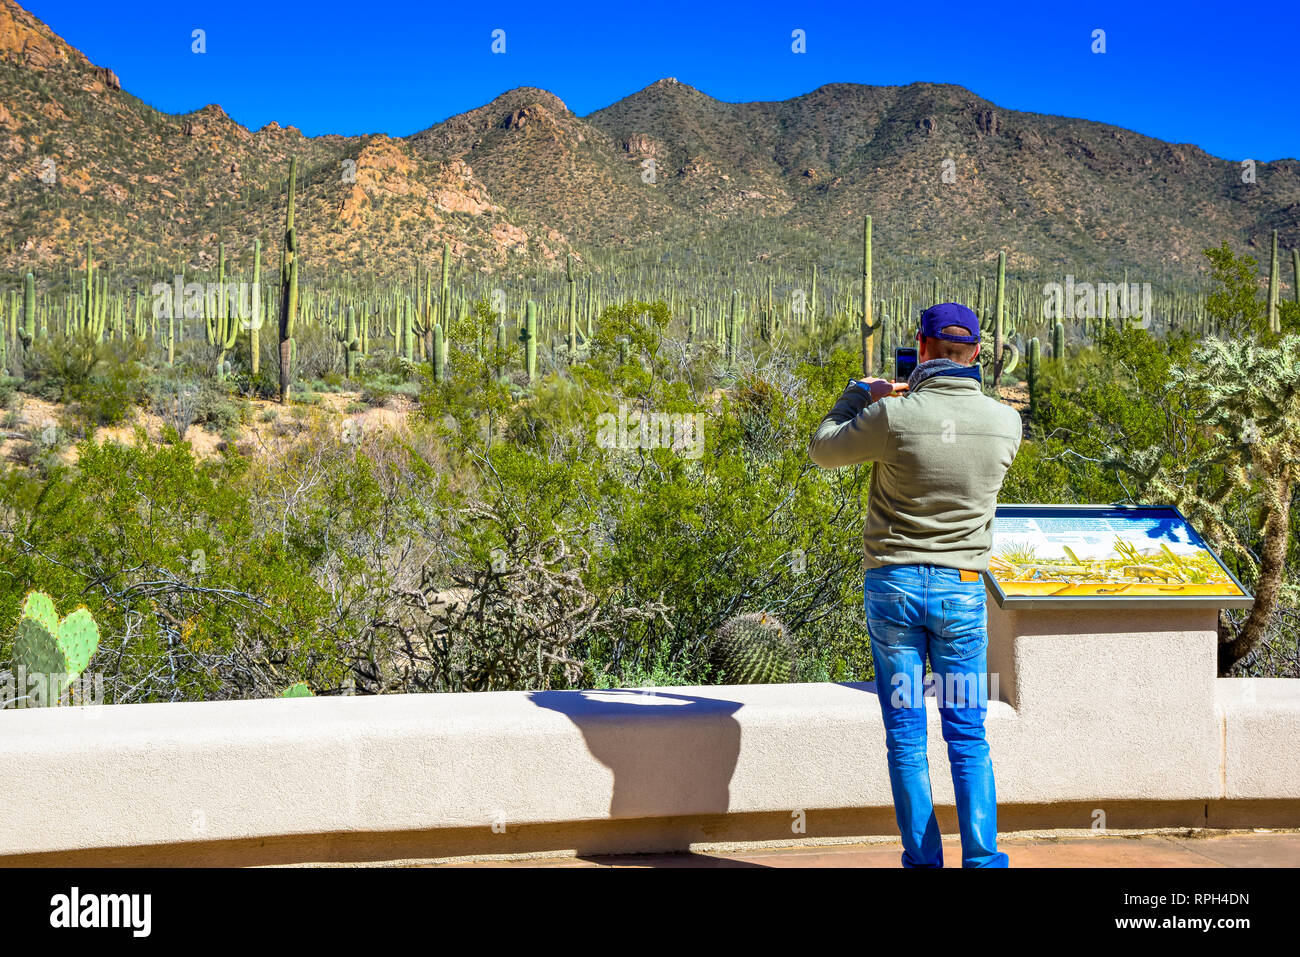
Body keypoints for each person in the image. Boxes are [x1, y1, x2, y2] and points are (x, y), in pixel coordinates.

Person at [807, 302, 1023, 868]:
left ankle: (924, 862)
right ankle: (982, 861)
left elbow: (824, 448)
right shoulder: (1007, 422)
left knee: (906, 735)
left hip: (894, 587)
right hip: (961, 590)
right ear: (976, 354)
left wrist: (861, 395)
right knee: (967, 734)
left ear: (921, 349)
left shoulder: (892, 417)